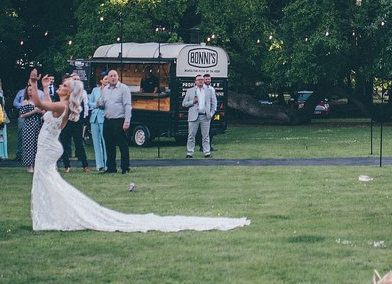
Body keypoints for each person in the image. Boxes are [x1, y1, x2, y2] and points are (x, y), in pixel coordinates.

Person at [27, 75, 249, 232]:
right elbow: (47, 103)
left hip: (47, 148)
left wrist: (34, 82)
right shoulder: (61, 105)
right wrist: (46, 87)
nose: (60, 86)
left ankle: (49, 217)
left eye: (63, 84)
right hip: (48, 146)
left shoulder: (61, 107)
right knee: (47, 181)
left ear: (69, 91)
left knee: (46, 179)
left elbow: (38, 103)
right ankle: (49, 215)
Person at [102, 69, 132, 174]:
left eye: (115, 76)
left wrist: (127, 121)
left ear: (118, 77)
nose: (113, 78)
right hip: (107, 120)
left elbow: (127, 105)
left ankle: (125, 167)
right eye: (111, 76)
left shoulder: (123, 89)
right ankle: (111, 167)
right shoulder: (105, 89)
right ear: (108, 78)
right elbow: (103, 104)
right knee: (109, 145)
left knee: (122, 145)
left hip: (119, 120)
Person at [59, 73, 90, 173]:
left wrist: (83, 121)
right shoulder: (64, 96)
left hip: (77, 123)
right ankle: (66, 166)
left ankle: (85, 165)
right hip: (66, 123)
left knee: (79, 144)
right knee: (63, 144)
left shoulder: (79, 96)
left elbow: (83, 108)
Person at [182, 74, 216, 158]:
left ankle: (207, 152)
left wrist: (211, 113)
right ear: (195, 81)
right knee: (191, 136)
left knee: (206, 136)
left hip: (205, 116)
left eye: (201, 79)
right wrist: (192, 102)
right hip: (193, 116)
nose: (200, 81)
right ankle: (190, 153)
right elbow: (184, 104)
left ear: (204, 81)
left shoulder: (209, 91)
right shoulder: (190, 91)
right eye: (198, 80)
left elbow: (213, 103)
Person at [18, 68, 44, 173]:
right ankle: (29, 166)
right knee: (29, 145)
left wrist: (40, 112)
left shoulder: (38, 101)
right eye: (29, 90)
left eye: (32, 90)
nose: (31, 91)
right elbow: (22, 115)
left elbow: (43, 111)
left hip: (38, 124)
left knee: (38, 145)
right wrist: (34, 111)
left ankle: (37, 164)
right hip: (28, 125)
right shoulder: (25, 102)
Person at [88, 73, 108, 172]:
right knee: (96, 142)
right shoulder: (95, 90)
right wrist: (95, 105)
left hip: (104, 117)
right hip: (94, 117)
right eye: (105, 79)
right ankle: (99, 165)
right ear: (101, 80)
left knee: (105, 141)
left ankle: (108, 164)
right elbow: (89, 102)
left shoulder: (110, 91)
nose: (107, 80)